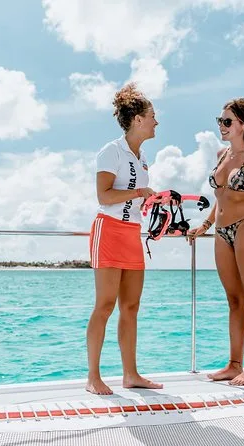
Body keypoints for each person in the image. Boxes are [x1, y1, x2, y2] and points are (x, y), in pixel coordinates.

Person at [187, 98, 244, 386]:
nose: (221, 126)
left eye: (227, 121)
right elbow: (221, 196)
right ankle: (234, 364)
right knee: (234, 299)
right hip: (221, 232)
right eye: (220, 121)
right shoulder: (221, 154)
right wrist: (205, 224)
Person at [86, 83, 163, 395]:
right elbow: (104, 196)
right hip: (109, 231)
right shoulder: (111, 151)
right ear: (138, 119)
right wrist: (138, 192)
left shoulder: (142, 159)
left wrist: (149, 201)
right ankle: (93, 377)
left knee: (131, 307)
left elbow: (132, 198)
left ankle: (131, 374)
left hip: (132, 233)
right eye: (153, 116)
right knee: (105, 305)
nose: (157, 121)